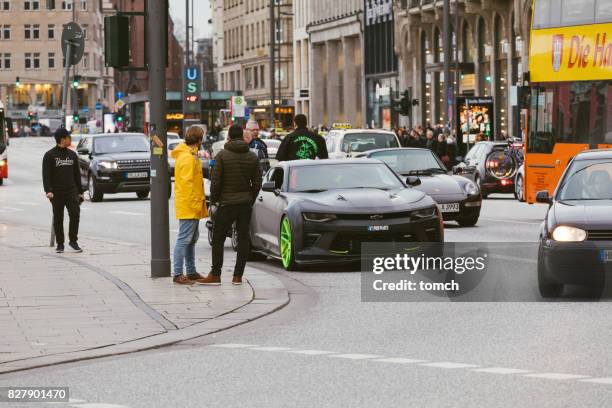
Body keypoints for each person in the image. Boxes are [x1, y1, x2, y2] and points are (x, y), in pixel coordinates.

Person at [198, 125, 263, 286]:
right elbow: (257, 182)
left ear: (228, 137)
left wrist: (214, 201)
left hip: (226, 203)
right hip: (245, 203)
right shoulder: (252, 156)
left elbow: (216, 182)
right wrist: (250, 198)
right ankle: (237, 276)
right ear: (242, 137)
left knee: (218, 238)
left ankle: (215, 274)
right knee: (243, 238)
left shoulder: (222, 156)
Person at [170, 125, 208, 285]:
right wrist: (195, 203)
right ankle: (178, 273)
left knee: (191, 238)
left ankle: (191, 271)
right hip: (189, 204)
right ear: (199, 139)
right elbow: (187, 184)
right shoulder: (187, 157)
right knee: (184, 239)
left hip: (192, 203)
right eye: (202, 136)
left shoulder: (190, 154)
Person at [42, 128, 85, 254]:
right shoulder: (49, 155)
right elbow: (46, 175)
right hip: (56, 192)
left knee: (75, 214)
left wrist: (80, 191)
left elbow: (77, 175)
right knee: (58, 218)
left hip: (71, 191)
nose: (70, 140)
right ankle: (60, 244)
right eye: (68, 137)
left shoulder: (72, 154)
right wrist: (48, 190)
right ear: (62, 139)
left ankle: (73, 241)